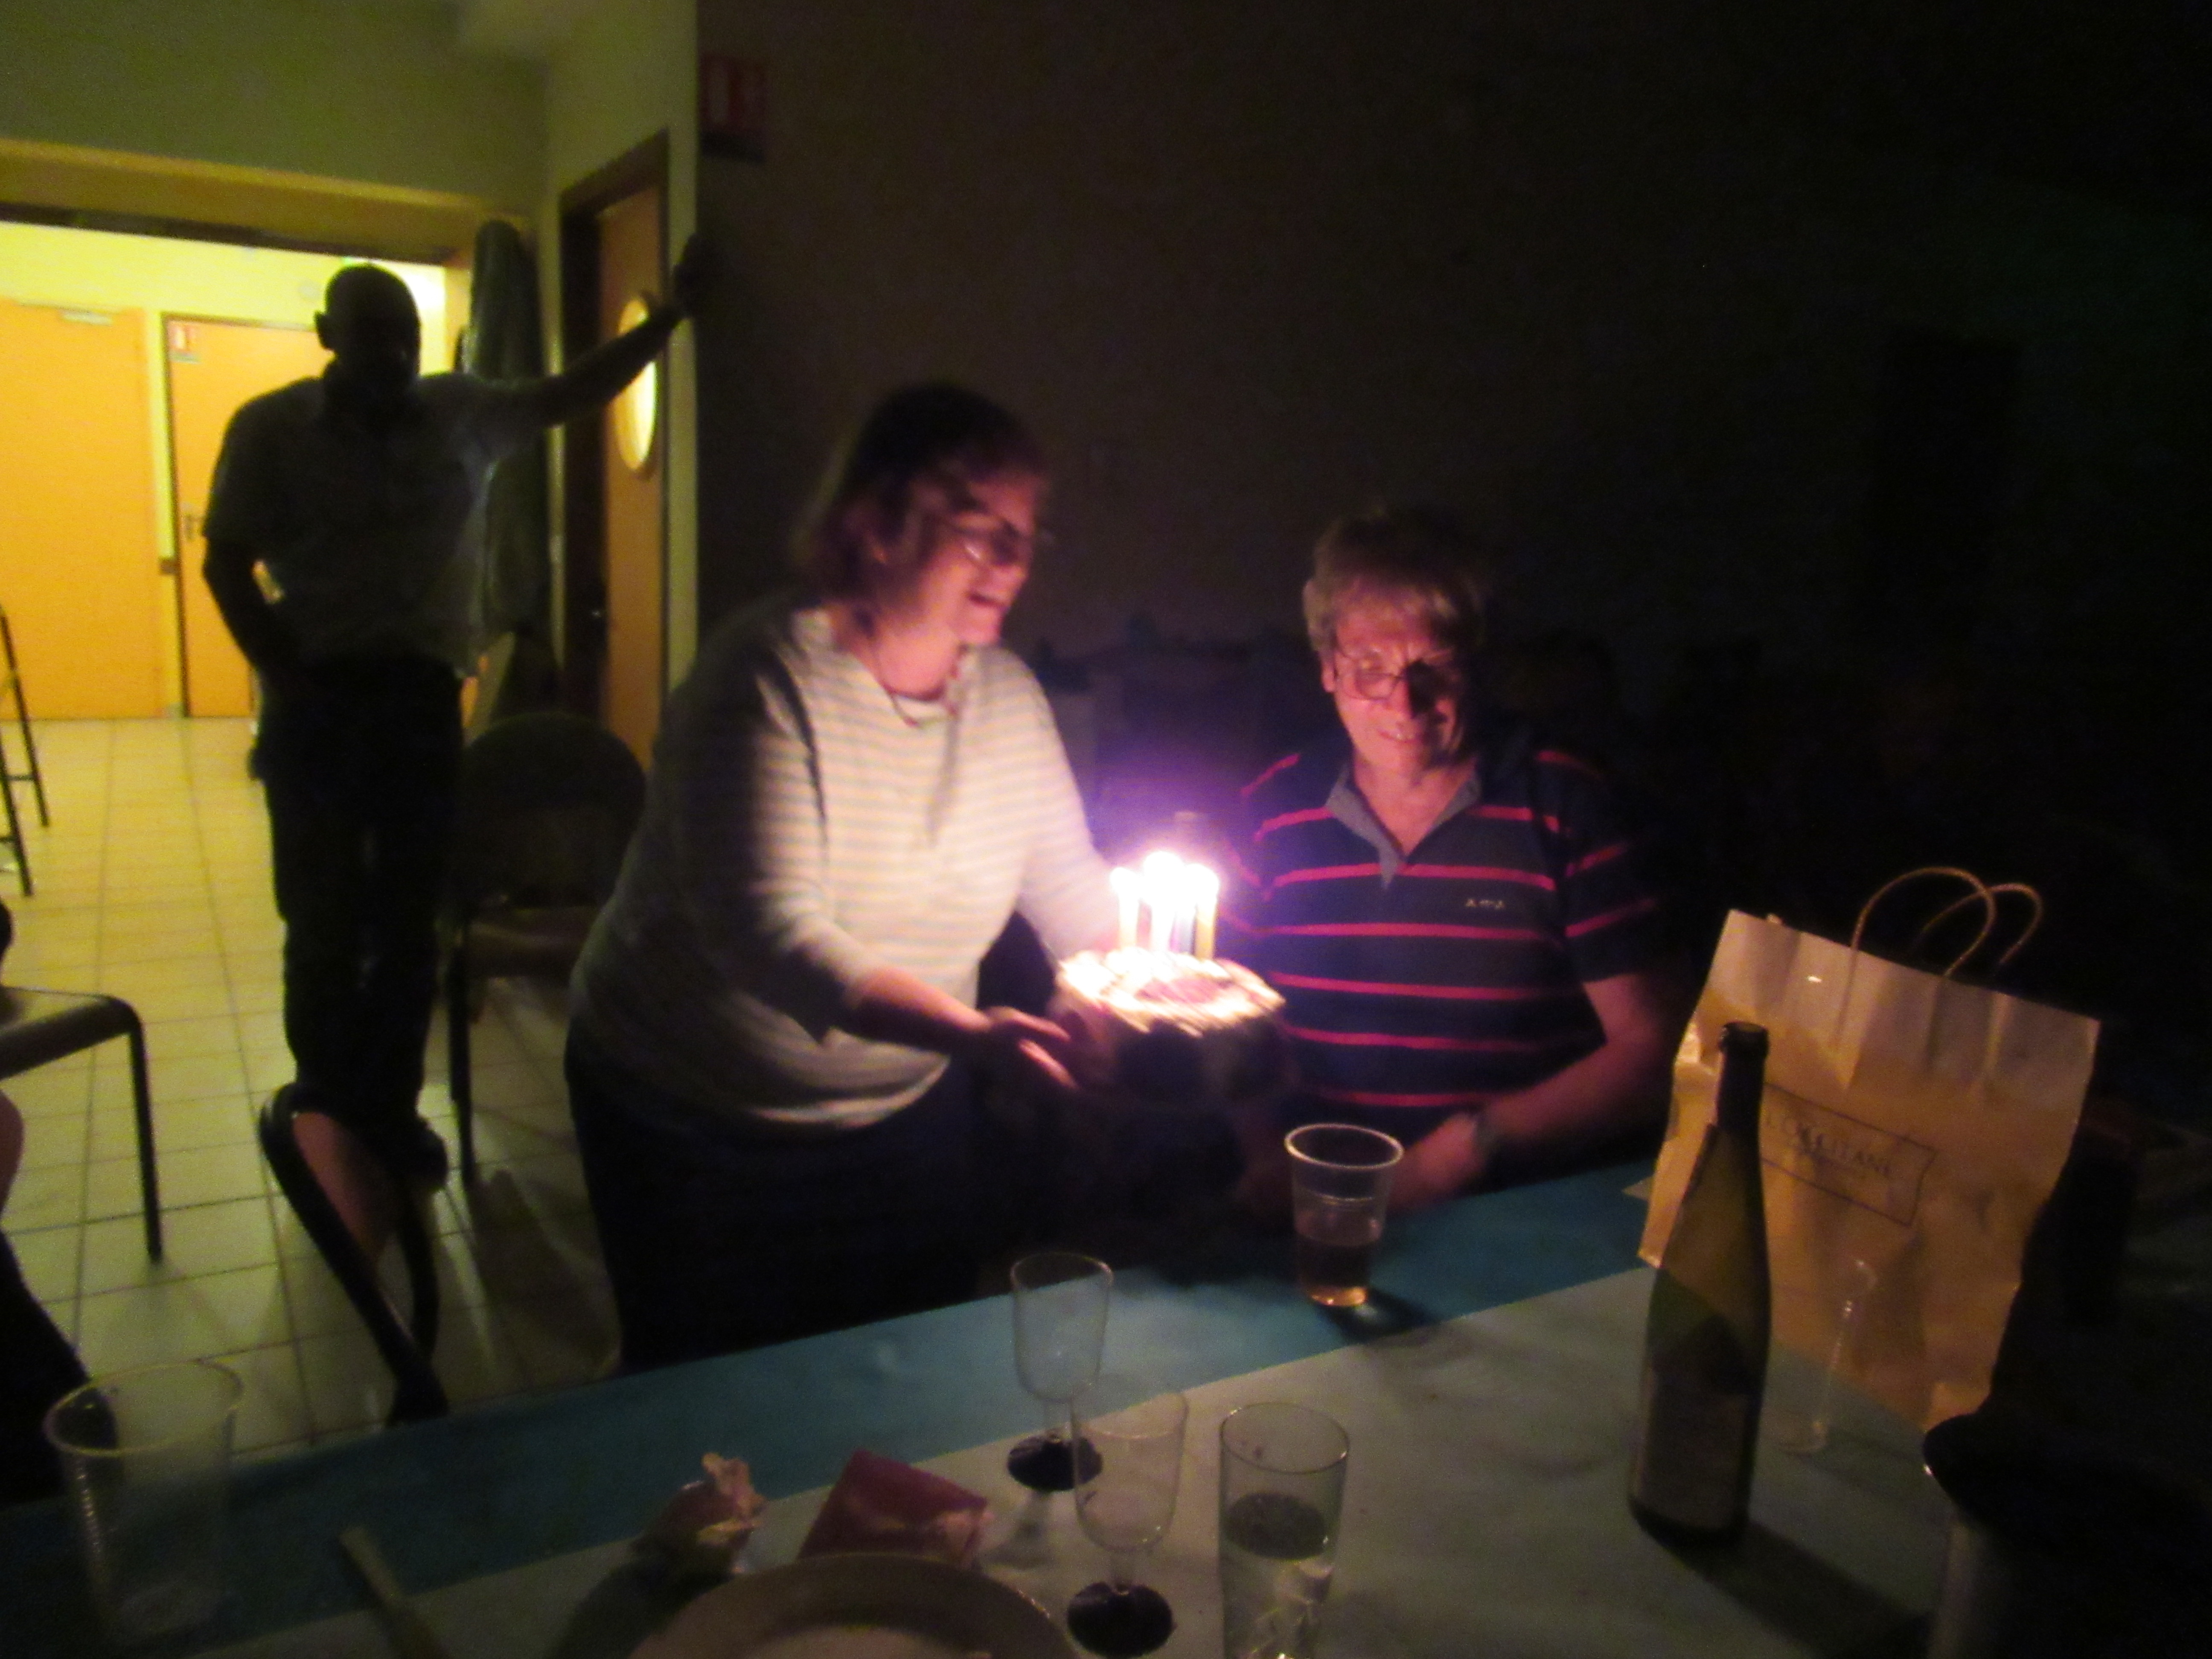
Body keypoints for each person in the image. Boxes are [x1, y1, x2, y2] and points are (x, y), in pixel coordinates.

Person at [568, 383, 1115, 1368]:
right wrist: (971, 1035)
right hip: (694, 1118)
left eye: (1025, 536)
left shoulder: (1010, 702)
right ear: (874, 524)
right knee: (713, 1398)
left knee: (907, 1378)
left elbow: (1071, 889)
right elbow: (774, 939)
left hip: (906, 1112)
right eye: (980, 531)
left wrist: (1137, 999)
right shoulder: (762, 679)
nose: (1013, 562)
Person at [202, 245, 705, 1249]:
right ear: (327, 337)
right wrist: (290, 680)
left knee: (408, 924)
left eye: (405, 336)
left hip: (420, 704)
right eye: (371, 335)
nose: (393, 353)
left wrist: (665, 322)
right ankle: (328, 1117)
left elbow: (570, 392)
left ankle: (387, 1117)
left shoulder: (460, 412)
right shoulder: (270, 430)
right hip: (315, 701)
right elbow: (225, 564)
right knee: (321, 921)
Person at [1223, 506, 1677, 1208]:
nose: (1404, 704)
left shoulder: (1566, 806)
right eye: (1370, 669)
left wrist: (1466, 1150)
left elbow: (1654, 1048)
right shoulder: (1273, 811)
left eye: (1434, 667)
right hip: (1312, 1200)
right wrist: (1261, 1155)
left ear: (1479, 665)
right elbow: (1228, 1017)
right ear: (1328, 668)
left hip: (1509, 1212)